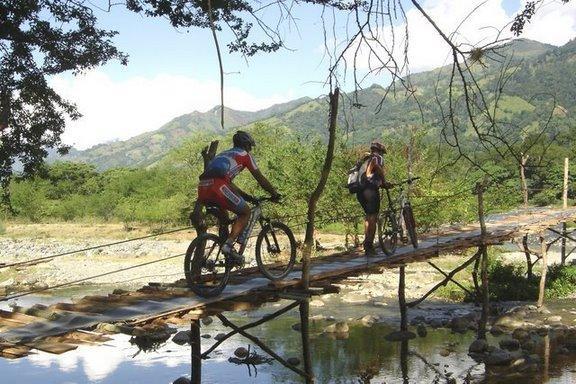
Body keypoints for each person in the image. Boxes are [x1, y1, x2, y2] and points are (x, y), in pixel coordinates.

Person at [197, 130, 280, 264]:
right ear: (247, 145)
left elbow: (229, 184)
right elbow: (261, 179)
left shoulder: (223, 154)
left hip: (202, 188)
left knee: (226, 220)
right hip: (218, 187)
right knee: (245, 212)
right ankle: (228, 246)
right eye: (250, 146)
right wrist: (274, 193)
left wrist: (247, 197)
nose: (250, 149)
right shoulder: (245, 155)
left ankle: (224, 251)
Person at [356, 141, 387, 256]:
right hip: (370, 190)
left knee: (368, 217)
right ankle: (370, 247)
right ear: (380, 151)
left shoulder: (365, 159)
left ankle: (367, 243)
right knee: (373, 217)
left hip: (360, 191)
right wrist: (384, 181)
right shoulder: (377, 157)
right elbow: (377, 167)